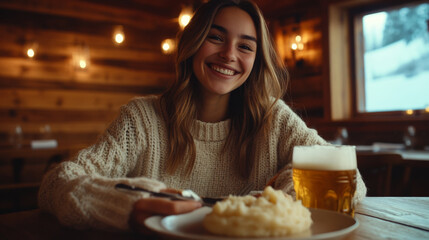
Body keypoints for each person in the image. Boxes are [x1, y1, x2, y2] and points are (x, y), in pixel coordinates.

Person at [38, 0, 367, 234]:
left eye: (246, 46)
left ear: (256, 61)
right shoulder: (140, 118)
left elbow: (350, 180)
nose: (229, 54)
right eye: (216, 37)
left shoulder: (273, 118)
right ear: (194, 43)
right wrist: (128, 204)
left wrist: (277, 201)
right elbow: (58, 183)